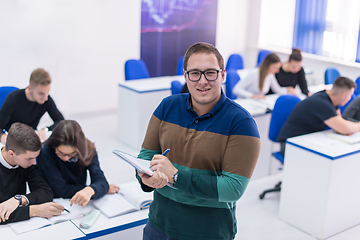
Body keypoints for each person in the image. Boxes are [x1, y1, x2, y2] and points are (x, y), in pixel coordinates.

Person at [137, 42, 261, 240]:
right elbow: (145, 156)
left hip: (207, 233)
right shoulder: (167, 106)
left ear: (222, 75)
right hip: (158, 225)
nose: (202, 81)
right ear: (186, 76)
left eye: (210, 73)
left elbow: (233, 188)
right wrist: (146, 177)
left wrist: (176, 176)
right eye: (195, 73)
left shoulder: (241, 122)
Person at [36, 120, 119, 207]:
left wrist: (91, 190)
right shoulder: (45, 152)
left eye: (71, 154)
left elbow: (100, 180)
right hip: (54, 202)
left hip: (77, 204)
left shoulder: (88, 148)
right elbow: (60, 189)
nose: (65, 158)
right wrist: (93, 189)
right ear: (54, 145)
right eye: (60, 153)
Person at [277, 77, 360, 156]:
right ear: (343, 95)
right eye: (350, 95)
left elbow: (340, 125)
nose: (350, 98)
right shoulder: (322, 103)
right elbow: (344, 127)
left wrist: (343, 128)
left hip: (305, 140)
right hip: (290, 145)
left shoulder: (331, 99)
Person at [0, 122, 64, 224]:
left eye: (35, 158)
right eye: (29, 159)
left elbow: (45, 192)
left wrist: (19, 200)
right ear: (11, 153)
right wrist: (34, 210)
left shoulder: (26, 164)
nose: (34, 162)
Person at [0, 68, 64, 145]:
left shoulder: (46, 100)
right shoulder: (13, 99)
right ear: (30, 88)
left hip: (29, 139)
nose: (46, 97)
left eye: (47, 93)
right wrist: (1, 136)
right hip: (11, 139)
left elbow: (61, 121)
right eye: (41, 93)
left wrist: (46, 129)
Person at [232, 53, 297, 99]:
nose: (277, 71)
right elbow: (236, 90)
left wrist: (288, 90)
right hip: (245, 102)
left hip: (255, 103)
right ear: (268, 66)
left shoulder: (270, 75)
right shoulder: (254, 73)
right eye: (275, 68)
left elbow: (277, 89)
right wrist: (253, 96)